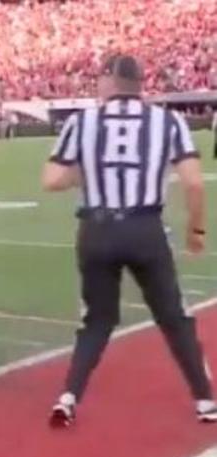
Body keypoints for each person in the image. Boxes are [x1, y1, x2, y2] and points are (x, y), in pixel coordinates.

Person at [43, 53, 217, 425]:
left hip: (97, 229)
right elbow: (193, 183)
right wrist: (196, 230)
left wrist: (86, 173)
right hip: (145, 229)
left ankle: (69, 396)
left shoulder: (82, 122)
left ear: (109, 80)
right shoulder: (168, 121)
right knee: (173, 317)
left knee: (97, 320)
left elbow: (52, 180)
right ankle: (205, 400)